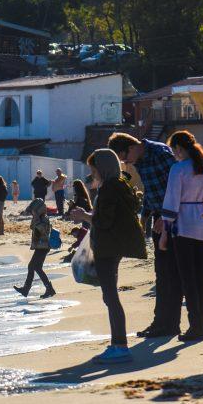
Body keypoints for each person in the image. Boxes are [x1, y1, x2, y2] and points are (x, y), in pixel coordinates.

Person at [69, 149, 147, 363]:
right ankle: (118, 344)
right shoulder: (119, 184)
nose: (92, 173)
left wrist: (84, 216)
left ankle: (120, 346)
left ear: (101, 167)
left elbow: (104, 221)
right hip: (114, 245)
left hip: (109, 246)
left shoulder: (110, 187)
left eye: (93, 168)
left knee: (111, 296)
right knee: (109, 296)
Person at [108, 132, 180, 338]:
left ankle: (170, 324)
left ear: (131, 147)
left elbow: (175, 187)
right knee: (161, 273)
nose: (125, 163)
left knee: (170, 274)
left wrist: (166, 216)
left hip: (173, 218)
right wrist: (144, 217)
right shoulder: (140, 160)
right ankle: (160, 322)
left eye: (124, 158)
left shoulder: (160, 153)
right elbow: (151, 190)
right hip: (159, 216)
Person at [160, 131, 203, 342]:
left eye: (173, 149)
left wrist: (165, 233)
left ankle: (196, 326)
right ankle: (202, 324)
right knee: (199, 278)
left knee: (188, 279)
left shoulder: (178, 169)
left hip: (184, 225)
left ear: (178, 148)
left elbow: (171, 201)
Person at [14, 198, 56, 299]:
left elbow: (41, 230)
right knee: (36, 267)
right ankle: (47, 289)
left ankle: (28, 289)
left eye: (34, 211)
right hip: (40, 246)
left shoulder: (44, 218)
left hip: (43, 247)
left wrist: (36, 217)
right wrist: (35, 217)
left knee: (33, 267)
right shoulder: (39, 217)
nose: (33, 213)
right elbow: (32, 227)